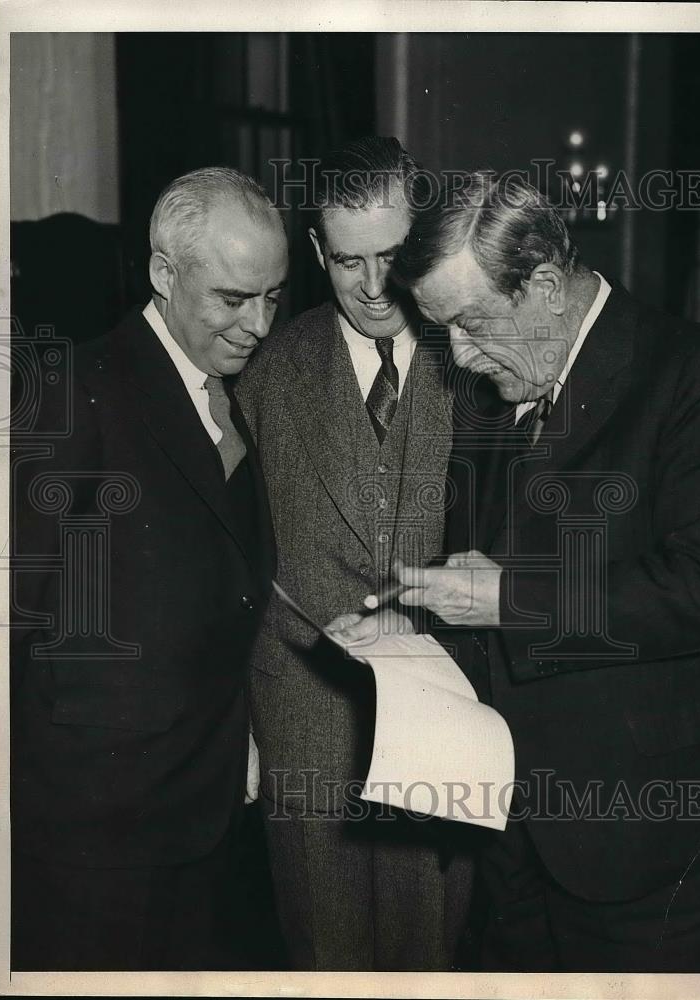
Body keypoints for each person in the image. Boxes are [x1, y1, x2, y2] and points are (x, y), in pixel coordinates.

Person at [332, 172, 700, 972]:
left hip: (635, 842)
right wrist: (415, 623)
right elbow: (494, 569)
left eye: (471, 322)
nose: (462, 357)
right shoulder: (495, 386)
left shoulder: (693, 375)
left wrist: (508, 598)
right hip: (507, 833)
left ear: (544, 285)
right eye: (443, 332)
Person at [10, 167, 288, 970]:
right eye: (234, 299)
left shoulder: (225, 396)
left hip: (199, 815)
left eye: (272, 297)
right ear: (165, 275)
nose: (258, 325)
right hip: (90, 829)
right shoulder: (73, 391)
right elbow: (11, 616)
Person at [235, 137, 473, 971]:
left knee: (429, 957)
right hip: (304, 718)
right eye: (347, 262)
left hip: (451, 719)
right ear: (315, 254)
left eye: (393, 257)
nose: (374, 288)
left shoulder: (481, 363)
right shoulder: (261, 371)